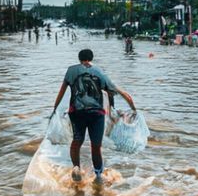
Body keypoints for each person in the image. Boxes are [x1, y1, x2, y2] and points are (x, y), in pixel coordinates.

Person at [51, 48, 135, 183]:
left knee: (77, 141)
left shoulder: (71, 71)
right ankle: (98, 176)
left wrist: (54, 109)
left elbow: (61, 92)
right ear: (91, 58)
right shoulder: (99, 72)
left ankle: (76, 168)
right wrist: (133, 107)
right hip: (96, 114)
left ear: (79, 59)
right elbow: (118, 90)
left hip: (77, 113)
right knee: (96, 146)